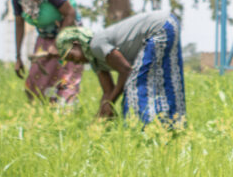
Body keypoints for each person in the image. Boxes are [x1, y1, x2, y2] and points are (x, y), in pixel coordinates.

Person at [55, 11, 185, 126]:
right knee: (166, 79)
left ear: (77, 43)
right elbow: (108, 91)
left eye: (72, 56)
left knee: (135, 85)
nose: (76, 62)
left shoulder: (96, 45)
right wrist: (101, 114)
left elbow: (126, 70)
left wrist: (109, 104)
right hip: (169, 22)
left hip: (158, 27)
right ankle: (172, 126)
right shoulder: (95, 61)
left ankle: (144, 129)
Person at [0, 0, 82, 104]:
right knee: (35, 83)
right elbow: (19, 23)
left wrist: (57, 44)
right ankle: (42, 118)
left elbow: (70, 13)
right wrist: (18, 57)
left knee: (65, 82)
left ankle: (65, 119)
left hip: (68, 37)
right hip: (44, 39)